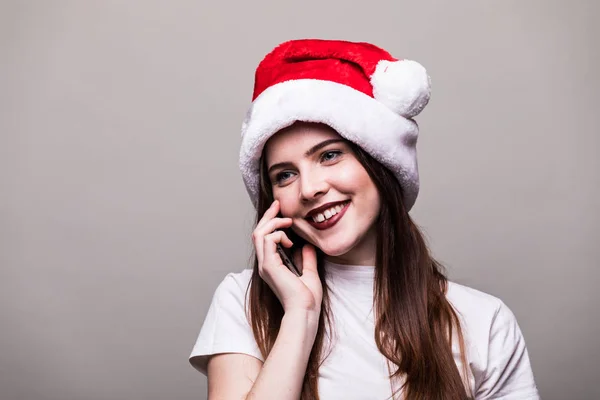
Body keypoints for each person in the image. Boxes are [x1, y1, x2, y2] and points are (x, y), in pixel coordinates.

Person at [189, 39, 540, 400]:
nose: (309, 189)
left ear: (380, 162)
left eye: (329, 155)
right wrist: (300, 315)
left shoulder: (483, 321)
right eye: (284, 175)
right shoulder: (243, 301)